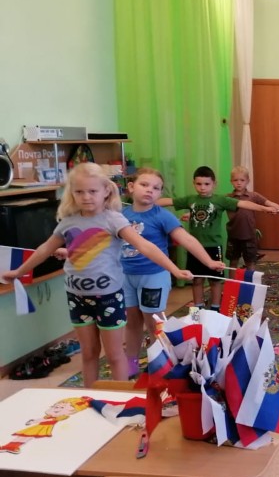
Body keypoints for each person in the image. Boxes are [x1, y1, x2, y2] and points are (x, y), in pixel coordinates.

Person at [0, 163, 192, 385]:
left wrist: (174, 269)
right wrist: (19, 272)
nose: (86, 197)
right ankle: (90, 395)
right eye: (79, 191)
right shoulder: (68, 222)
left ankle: (119, 398)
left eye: (92, 191)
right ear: (72, 193)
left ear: (106, 191)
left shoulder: (113, 219)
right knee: (89, 353)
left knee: (114, 355)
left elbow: (145, 246)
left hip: (108, 297)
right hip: (77, 297)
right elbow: (45, 249)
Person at [122, 167, 228, 378]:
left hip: (153, 276)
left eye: (156, 188)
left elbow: (187, 239)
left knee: (154, 323)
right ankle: (131, 363)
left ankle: (160, 361)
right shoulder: (121, 215)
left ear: (160, 194)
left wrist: (208, 261)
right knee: (132, 322)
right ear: (131, 187)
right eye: (144, 185)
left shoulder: (162, 216)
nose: (150, 190)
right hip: (126, 276)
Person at [157, 165, 278, 312]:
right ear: (194, 183)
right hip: (194, 248)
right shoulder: (190, 199)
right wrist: (145, 202)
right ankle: (197, 309)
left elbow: (244, 203)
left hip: (214, 246)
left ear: (214, 184)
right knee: (197, 279)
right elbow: (168, 201)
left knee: (215, 280)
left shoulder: (220, 200)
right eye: (199, 184)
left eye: (206, 184)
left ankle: (215, 308)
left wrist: (265, 209)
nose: (202, 187)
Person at [227, 166, 279, 270]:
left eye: (242, 180)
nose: (239, 183)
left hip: (249, 237)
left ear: (248, 181)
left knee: (250, 263)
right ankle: (232, 281)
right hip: (233, 237)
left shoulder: (254, 196)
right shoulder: (227, 198)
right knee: (233, 263)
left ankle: (250, 280)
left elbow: (269, 203)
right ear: (231, 181)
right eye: (235, 180)